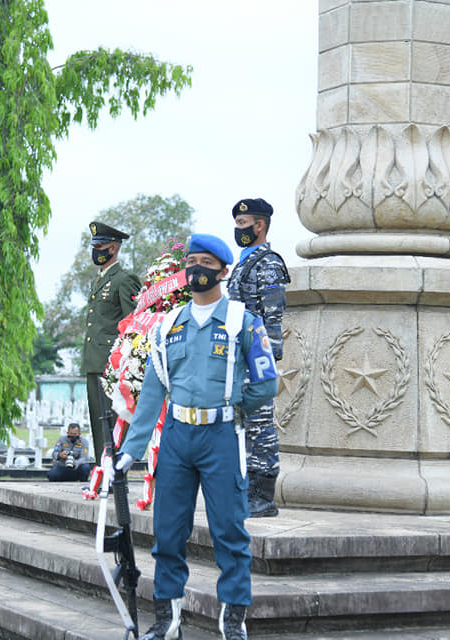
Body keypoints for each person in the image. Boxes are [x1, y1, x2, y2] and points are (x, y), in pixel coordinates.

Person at [113, 234, 278, 640]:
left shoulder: (243, 322)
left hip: (222, 435)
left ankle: (232, 622)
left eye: (206, 262)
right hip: (177, 438)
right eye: (192, 263)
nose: (196, 269)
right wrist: (130, 451)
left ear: (223, 271)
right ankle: (168, 621)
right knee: (168, 533)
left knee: (230, 532)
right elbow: (152, 393)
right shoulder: (168, 325)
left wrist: (235, 406)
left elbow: (266, 383)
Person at [226, 198, 290, 518]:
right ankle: (246, 490)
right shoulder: (243, 262)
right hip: (238, 356)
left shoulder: (268, 263)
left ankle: (263, 495)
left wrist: (267, 360)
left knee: (261, 427)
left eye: (243, 224)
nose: (239, 230)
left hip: (257, 356)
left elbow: (273, 316)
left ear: (259, 225)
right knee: (246, 425)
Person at [81, 220, 141, 458]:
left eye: (101, 246)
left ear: (113, 248)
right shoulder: (100, 278)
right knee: (98, 420)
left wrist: (125, 362)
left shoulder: (124, 279)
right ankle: (100, 469)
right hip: (94, 362)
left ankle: (114, 474)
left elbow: (132, 323)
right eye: (94, 246)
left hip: (111, 363)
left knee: (111, 421)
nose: (96, 251)